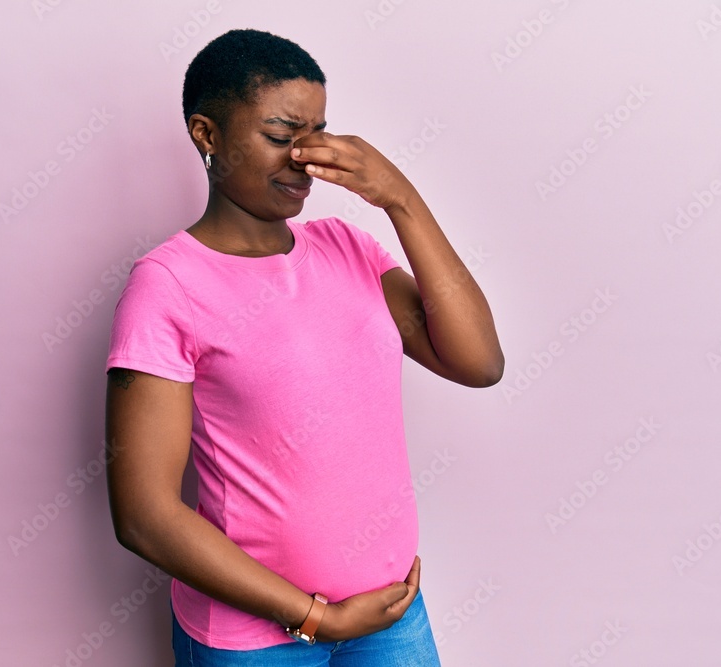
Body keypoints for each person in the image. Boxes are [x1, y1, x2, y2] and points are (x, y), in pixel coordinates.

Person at [104, 28, 503, 666]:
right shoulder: (167, 286)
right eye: (280, 135)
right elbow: (144, 514)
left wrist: (399, 197)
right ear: (206, 135)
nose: (305, 158)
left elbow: (479, 362)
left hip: (391, 617)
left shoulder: (349, 248)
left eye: (316, 134)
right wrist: (317, 617)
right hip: (256, 642)